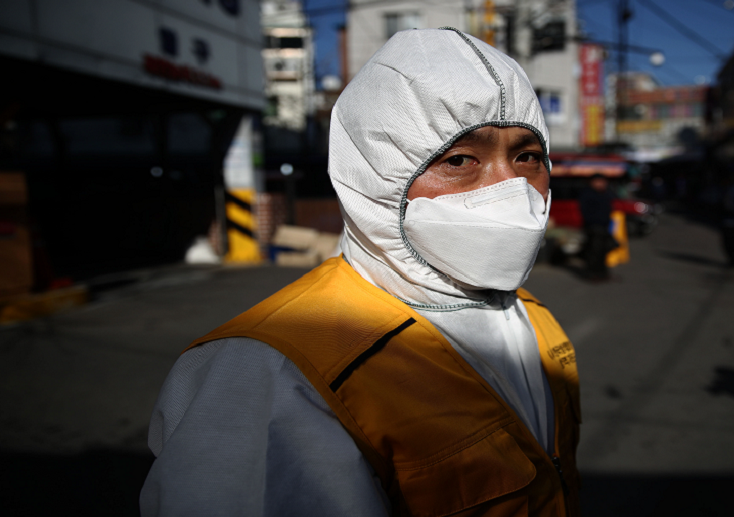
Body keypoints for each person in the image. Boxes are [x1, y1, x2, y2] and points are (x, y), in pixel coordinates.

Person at [140, 28, 581, 516]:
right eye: (459, 159)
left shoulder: (529, 316)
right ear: (376, 178)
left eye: (528, 156)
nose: (511, 188)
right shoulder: (271, 373)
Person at [578, 173, 614, 280]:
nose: (601, 184)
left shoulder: (606, 193)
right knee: (593, 252)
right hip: (593, 227)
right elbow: (586, 212)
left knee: (603, 251)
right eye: (598, 181)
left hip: (604, 227)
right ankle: (592, 274)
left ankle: (603, 273)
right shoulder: (587, 194)